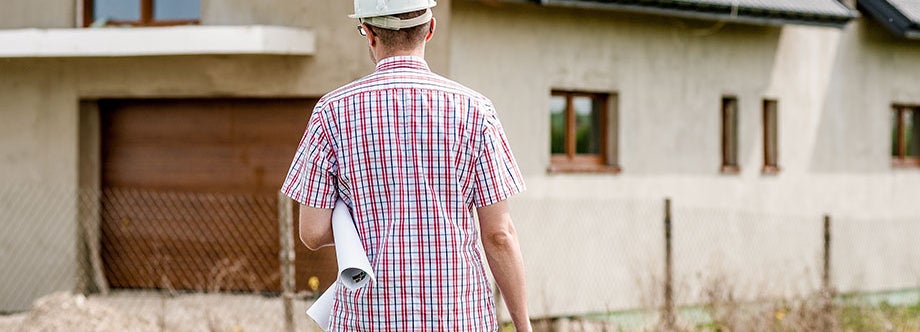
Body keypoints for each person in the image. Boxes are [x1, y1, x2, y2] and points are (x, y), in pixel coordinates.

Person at [281, 0, 531, 330]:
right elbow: (499, 235)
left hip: (367, 319)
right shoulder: (475, 111)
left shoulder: (331, 112)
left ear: (369, 33)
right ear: (430, 29)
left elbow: (312, 232)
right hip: (458, 317)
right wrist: (523, 326)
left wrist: (365, 221)